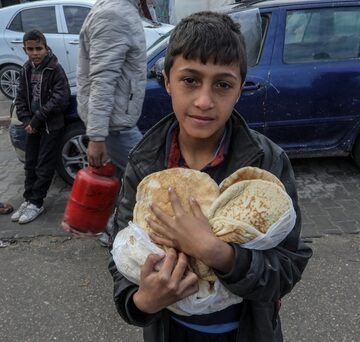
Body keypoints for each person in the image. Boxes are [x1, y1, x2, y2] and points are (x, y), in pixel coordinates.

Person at [108, 11, 312, 342]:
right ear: (167, 80)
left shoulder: (266, 163)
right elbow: (122, 253)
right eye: (190, 80)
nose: (204, 101)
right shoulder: (144, 163)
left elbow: (288, 265)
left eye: (222, 84)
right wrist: (141, 302)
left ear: (239, 88)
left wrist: (217, 252)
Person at [77, 0, 147, 245]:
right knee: (150, 177)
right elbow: (103, 80)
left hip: (116, 121)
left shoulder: (116, 9)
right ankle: (118, 235)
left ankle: (109, 230)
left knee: (121, 183)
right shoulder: (113, 14)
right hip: (116, 126)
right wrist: (96, 137)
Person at [11, 30, 70, 224]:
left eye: (39, 48)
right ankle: (28, 199)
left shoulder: (55, 69)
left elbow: (60, 99)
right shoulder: (26, 69)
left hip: (49, 126)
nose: (35, 53)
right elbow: (20, 98)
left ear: (46, 47)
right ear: (24, 49)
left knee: (44, 165)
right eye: (31, 49)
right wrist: (27, 121)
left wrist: (37, 119)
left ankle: (37, 202)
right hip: (32, 127)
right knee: (30, 164)